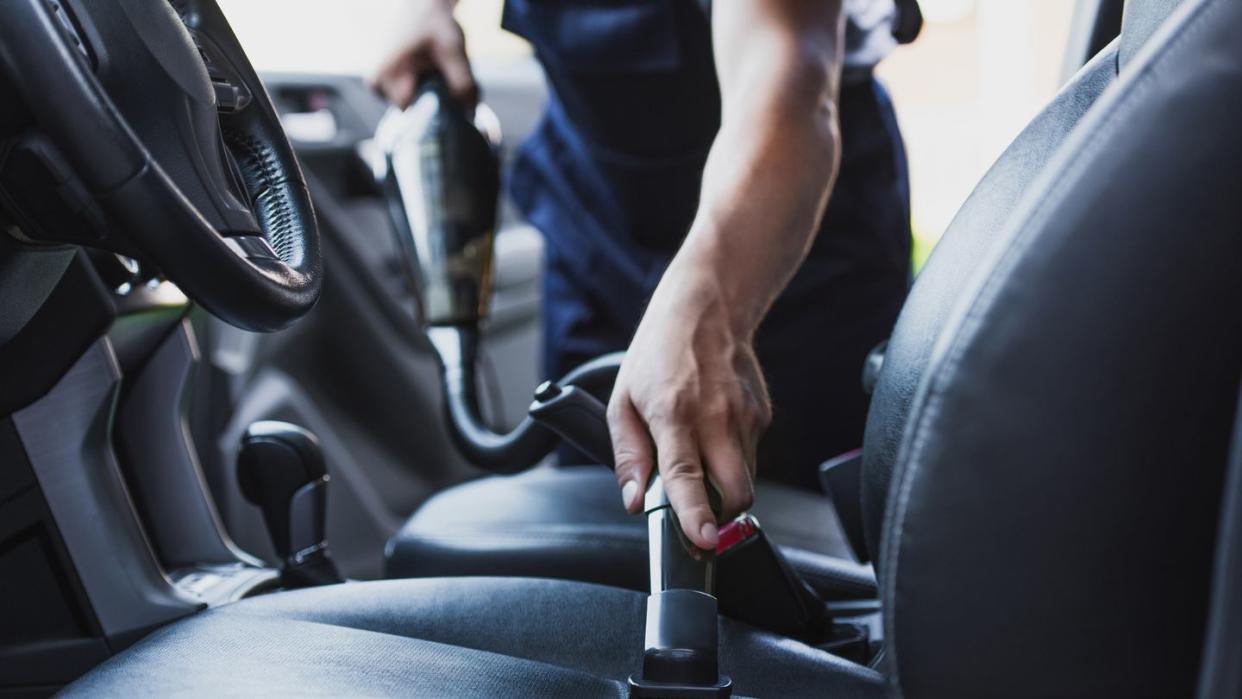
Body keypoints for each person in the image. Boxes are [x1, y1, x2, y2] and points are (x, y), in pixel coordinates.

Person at [376, 0, 916, 551]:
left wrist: (713, 312)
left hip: (792, 228)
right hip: (596, 206)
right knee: (601, 511)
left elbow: (784, 79)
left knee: (822, 550)